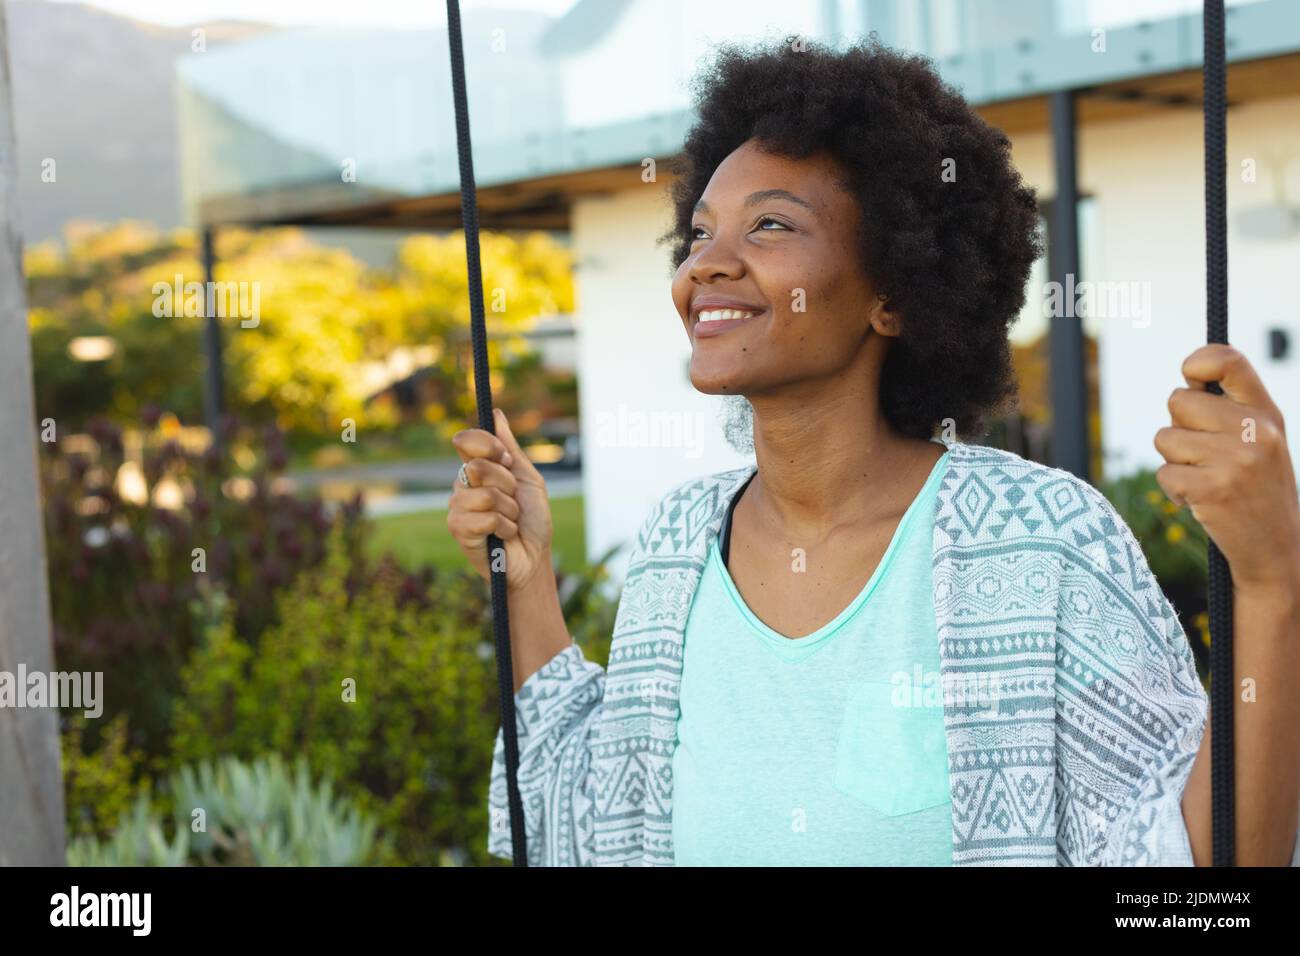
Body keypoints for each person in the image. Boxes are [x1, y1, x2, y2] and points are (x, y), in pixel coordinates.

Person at [447, 37, 1300, 866]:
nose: (708, 265)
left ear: (892, 292)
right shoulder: (678, 546)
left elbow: (1201, 867)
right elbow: (601, 816)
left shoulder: (1040, 540)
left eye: (771, 225)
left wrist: (1269, 583)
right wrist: (525, 577)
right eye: (699, 234)